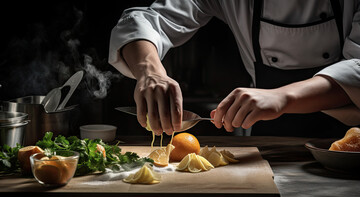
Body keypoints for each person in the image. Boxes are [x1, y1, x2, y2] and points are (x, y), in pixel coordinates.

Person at [108, 0, 360, 137]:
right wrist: (150, 72)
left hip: (345, 139)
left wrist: (282, 96)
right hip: (266, 138)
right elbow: (146, 20)